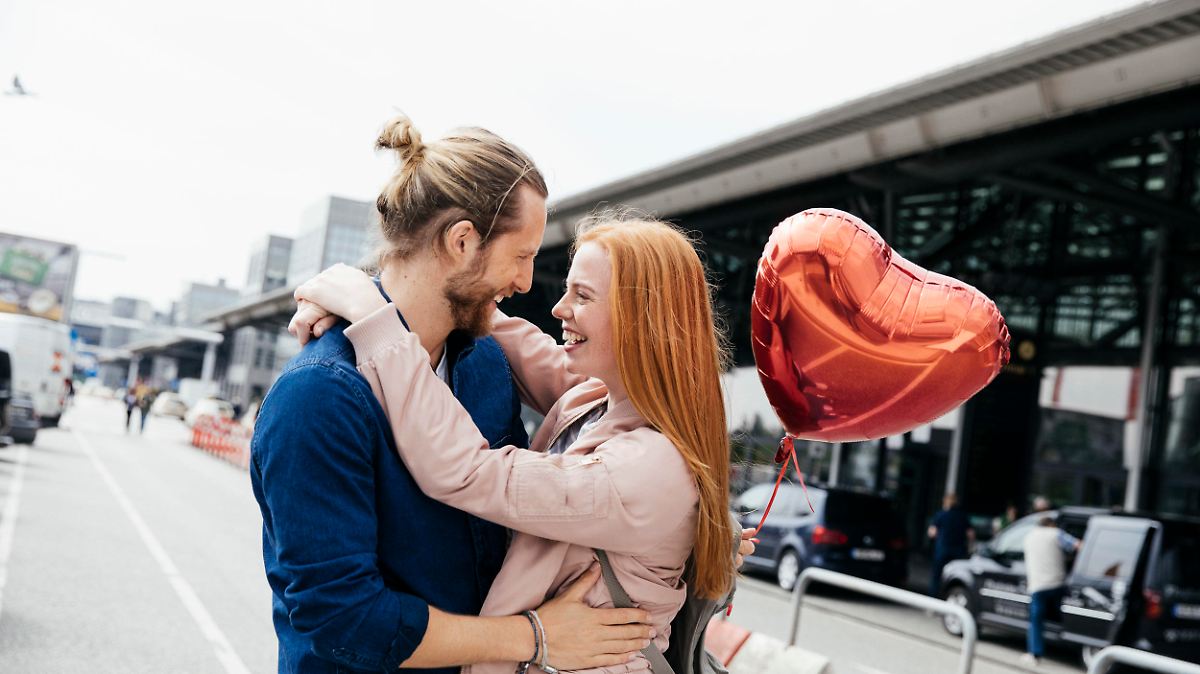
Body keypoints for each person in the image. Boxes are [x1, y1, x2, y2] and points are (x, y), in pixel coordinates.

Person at [252, 116, 654, 674]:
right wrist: (534, 637)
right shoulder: (319, 397)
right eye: (521, 256)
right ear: (462, 241)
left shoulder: (485, 362)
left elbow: (619, 425)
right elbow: (345, 620)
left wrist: (692, 520)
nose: (525, 282)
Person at [292, 210, 745, 674]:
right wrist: (372, 291)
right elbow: (503, 330)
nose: (558, 308)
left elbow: (466, 471)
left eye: (582, 295)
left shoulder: (649, 469)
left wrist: (374, 319)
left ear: (640, 319)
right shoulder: (595, 397)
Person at [1020, 516, 1080, 667]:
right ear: (1051, 524)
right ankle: (1070, 646)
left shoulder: (1029, 536)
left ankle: (1035, 654)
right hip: (1057, 584)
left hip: (1037, 586)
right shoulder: (1056, 533)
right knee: (1063, 615)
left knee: (1036, 621)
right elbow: (1078, 545)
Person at [928, 493, 974, 596]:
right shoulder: (963, 516)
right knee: (956, 575)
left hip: (942, 550)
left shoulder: (941, 515)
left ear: (945, 502)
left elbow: (932, 533)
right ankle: (951, 596)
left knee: (937, 576)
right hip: (958, 552)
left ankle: (934, 597)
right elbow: (971, 535)